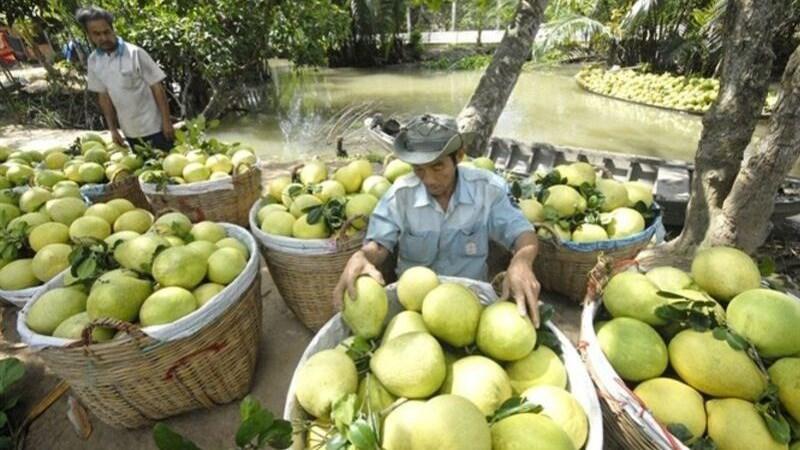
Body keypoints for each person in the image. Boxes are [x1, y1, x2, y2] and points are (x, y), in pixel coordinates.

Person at [333, 114, 543, 325]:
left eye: (438, 167)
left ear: (459, 156)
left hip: (469, 303)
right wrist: (362, 257)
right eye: (419, 169)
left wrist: (522, 261)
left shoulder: (488, 190)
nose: (429, 180)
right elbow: (378, 245)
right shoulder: (400, 195)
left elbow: (522, 233)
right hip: (413, 306)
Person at [76, 6, 174, 151]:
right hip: (130, 131)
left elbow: (157, 87)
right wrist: (113, 130)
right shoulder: (94, 61)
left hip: (155, 128)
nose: (103, 38)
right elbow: (104, 96)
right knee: (145, 170)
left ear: (112, 29)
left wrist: (167, 122)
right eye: (97, 34)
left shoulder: (135, 53)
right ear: (89, 35)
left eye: (106, 32)